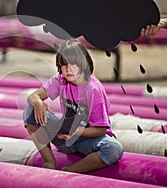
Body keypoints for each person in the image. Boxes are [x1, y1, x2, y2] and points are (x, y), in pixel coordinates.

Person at [23, 39, 123, 173]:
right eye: (64, 65)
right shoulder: (60, 79)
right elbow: (33, 96)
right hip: (64, 138)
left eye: (73, 64)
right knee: (30, 111)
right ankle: (50, 161)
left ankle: (70, 170)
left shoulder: (93, 89)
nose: (68, 70)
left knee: (114, 148)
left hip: (88, 140)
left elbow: (101, 130)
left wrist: (75, 133)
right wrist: (38, 102)